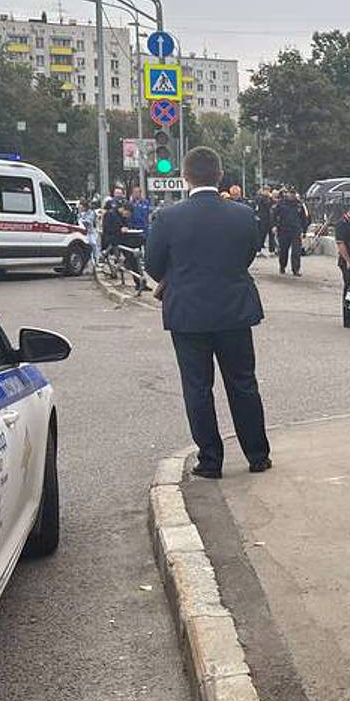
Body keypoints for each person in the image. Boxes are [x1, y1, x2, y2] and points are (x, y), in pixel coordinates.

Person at [144, 146, 271, 479]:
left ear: (185, 177)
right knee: (243, 383)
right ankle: (257, 455)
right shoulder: (242, 214)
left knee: (197, 388)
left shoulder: (167, 217)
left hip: (188, 315)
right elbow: (247, 255)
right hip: (234, 311)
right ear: (220, 175)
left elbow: (153, 266)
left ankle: (210, 460)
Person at [272, 189, 308, 276]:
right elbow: (274, 215)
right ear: (287, 194)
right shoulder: (281, 204)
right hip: (283, 230)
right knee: (283, 250)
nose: (291, 195)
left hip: (296, 230)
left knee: (296, 251)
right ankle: (282, 266)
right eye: (290, 193)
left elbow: (304, 218)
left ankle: (296, 270)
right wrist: (274, 226)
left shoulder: (299, 205)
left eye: (293, 193)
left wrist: (304, 230)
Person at [255, 188, 275, 255]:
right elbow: (267, 204)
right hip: (263, 219)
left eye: (268, 190)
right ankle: (258, 250)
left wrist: (271, 198)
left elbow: (273, 204)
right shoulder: (261, 198)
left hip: (269, 219)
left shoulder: (268, 198)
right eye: (266, 190)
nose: (267, 192)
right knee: (262, 235)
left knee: (271, 235)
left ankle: (272, 250)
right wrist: (271, 198)